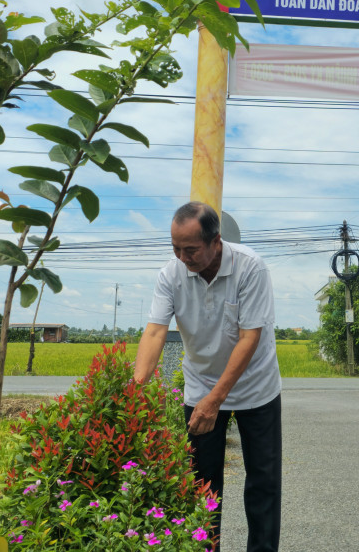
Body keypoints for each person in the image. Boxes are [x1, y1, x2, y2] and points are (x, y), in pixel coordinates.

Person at [133, 201, 282, 552]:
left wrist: (217, 400)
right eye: (175, 249)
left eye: (190, 249)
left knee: (263, 483)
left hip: (256, 388)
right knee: (202, 486)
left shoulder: (251, 268)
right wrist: (134, 388)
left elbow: (249, 338)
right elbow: (155, 332)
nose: (182, 257)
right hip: (200, 389)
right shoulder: (171, 274)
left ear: (216, 241)